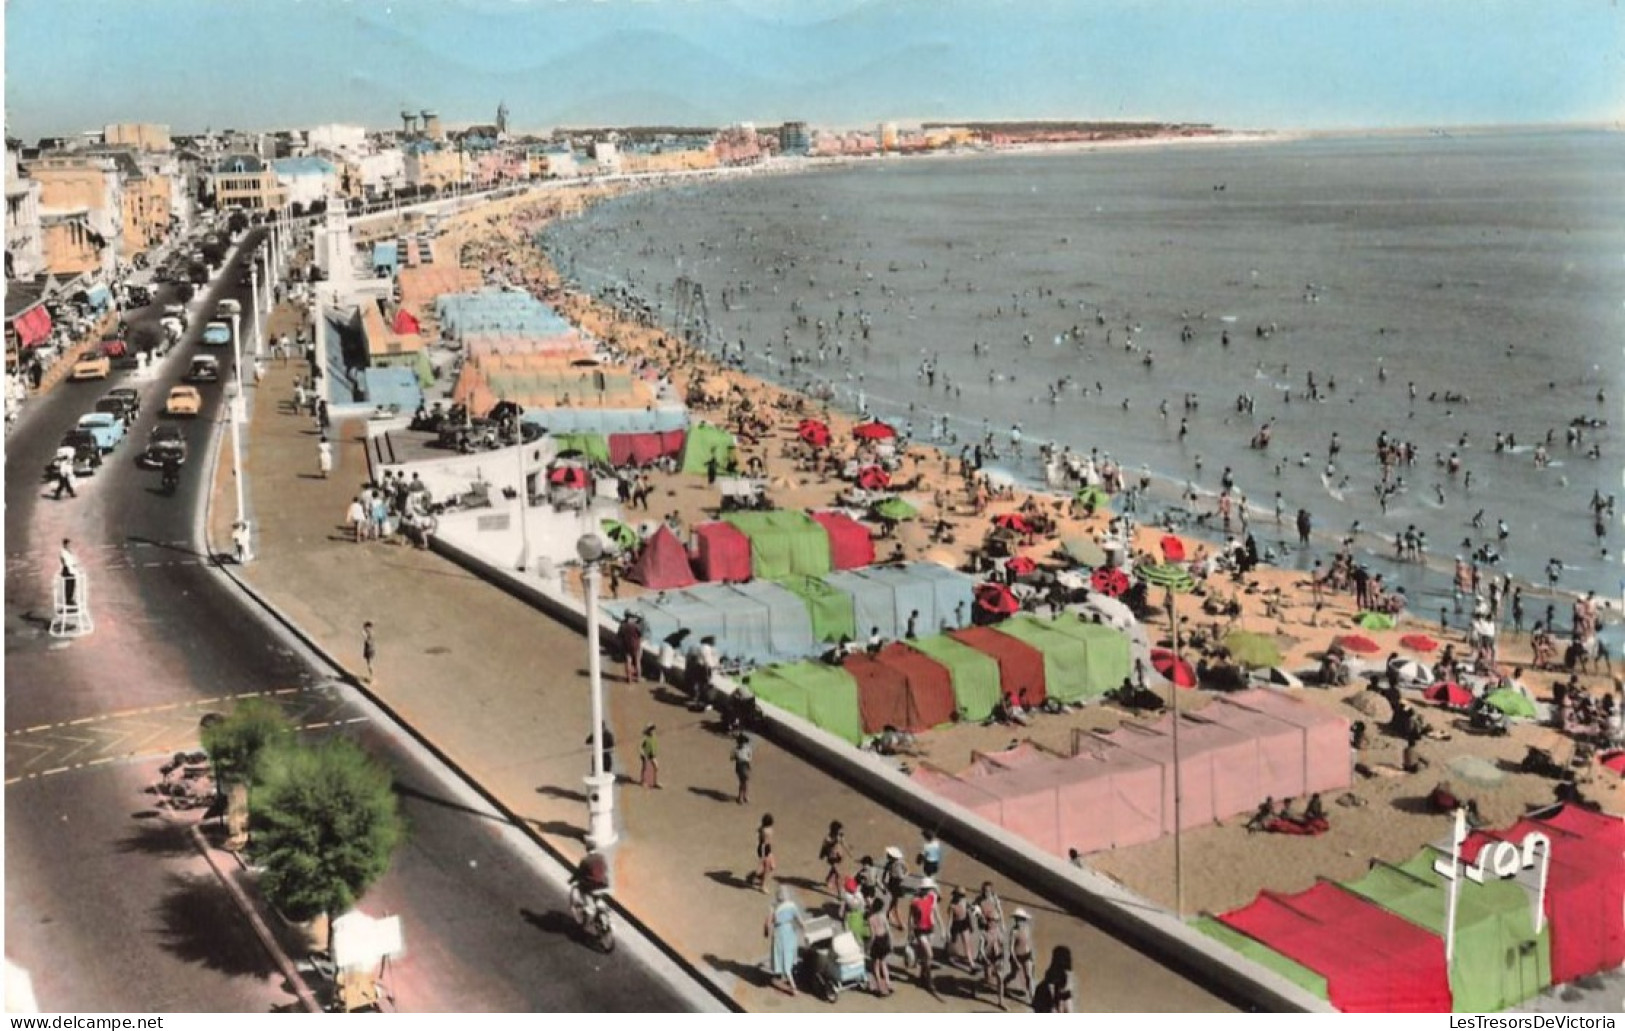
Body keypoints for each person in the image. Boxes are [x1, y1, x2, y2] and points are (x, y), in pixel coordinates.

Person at [765, 884, 801, 996]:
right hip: (790, 932)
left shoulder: (774, 907)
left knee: (782, 956)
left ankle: (793, 987)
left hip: (780, 933)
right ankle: (783, 975)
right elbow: (799, 920)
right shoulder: (792, 905)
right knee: (789, 954)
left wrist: (766, 931)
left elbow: (768, 923)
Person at [909, 878, 942, 998]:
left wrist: (941, 927)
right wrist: (910, 933)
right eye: (927, 889)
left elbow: (935, 911)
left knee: (924, 955)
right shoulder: (915, 901)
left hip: (929, 929)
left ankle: (923, 976)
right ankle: (928, 979)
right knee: (929, 954)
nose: (929, 891)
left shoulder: (931, 897)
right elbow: (911, 918)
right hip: (920, 930)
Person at [865, 893, 894, 997]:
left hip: (877, 941)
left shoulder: (870, 919)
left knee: (876, 966)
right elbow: (889, 930)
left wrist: (868, 947)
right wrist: (891, 942)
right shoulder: (883, 916)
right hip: (884, 939)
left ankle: (881, 987)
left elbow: (872, 935)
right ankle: (888, 984)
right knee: (884, 963)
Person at [1031, 945, 1076, 1013]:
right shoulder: (1063, 973)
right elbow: (1054, 991)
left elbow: (1064, 992)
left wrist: (1056, 1005)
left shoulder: (1059, 972)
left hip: (1054, 997)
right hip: (1051, 998)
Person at [1007, 909, 1036, 1001]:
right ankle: (1004, 983)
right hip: (1017, 957)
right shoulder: (1014, 932)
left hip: (1027, 955)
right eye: (1017, 919)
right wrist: (1015, 960)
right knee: (1013, 974)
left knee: (1029, 976)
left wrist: (1032, 956)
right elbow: (1011, 948)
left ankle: (1032, 998)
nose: (1018, 921)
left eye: (1020, 919)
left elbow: (1029, 942)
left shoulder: (1027, 928)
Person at [747, 813, 776, 892]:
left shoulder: (767, 829)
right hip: (763, 849)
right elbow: (763, 844)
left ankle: (753, 876)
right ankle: (763, 886)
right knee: (766, 868)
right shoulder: (765, 831)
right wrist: (763, 856)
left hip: (768, 848)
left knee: (772, 866)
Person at [819, 820, 848, 894]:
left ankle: (828, 878)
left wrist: (849, 853)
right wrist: (822, 855)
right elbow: (825, 846)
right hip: (832, 857)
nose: (840, 831)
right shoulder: (828, 838)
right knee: (838, 874)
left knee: (834, 870)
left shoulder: (840, 835)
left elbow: (844, 844)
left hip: (839, 855)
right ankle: (839, 894)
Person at [618, 614, 644, 684]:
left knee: (628, 662)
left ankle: (629, 679)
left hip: (626, 646)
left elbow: (619, 636)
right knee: (637, 661)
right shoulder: (636, 626)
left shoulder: (622, 625)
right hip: (636, 646)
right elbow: (641, 635)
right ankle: (638, 678)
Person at [731, 732, 753, 805]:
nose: (742, 744)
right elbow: (731, 758)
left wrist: (748, 760)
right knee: (743, 781)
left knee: (744, 782)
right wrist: (736, 757)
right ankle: (743, 796)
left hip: (745, 765)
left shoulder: (747, 748)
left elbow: (750, 756)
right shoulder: (735, 749)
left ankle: (742, 796)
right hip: (740, 765)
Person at [58, 540, 81, 608]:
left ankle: (70, 599)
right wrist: (72, 564)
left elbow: (73, 560)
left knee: (72, 584)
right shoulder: (63, 552)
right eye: (68, 544)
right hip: (67, 570)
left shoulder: (69, 552)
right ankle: (68, 600)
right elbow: (65, 561)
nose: (69, 546)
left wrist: (75, 564)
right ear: (65, 544)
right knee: (68, 585)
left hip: (71, 570)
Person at [638, 724, 661, 789]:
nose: (653, 731)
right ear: (648, 731)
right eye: (651, 729)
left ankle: (655, 782)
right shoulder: (645, 738)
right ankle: (642, 781)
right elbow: (640, 747)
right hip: (646, 755)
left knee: (656, 767)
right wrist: (643, 754)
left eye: (653, 729)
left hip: (652, 755)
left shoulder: (654, 737)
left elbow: (654, 745)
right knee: (645, 768)